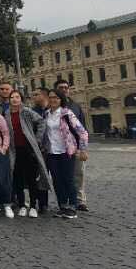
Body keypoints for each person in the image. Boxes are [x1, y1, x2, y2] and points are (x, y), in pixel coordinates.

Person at [43, 89, 89, 219]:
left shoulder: (66, 113)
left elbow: (82, 132)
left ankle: (72, 206)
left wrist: (83, 149)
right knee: (57, 181)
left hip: (66, 151)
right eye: (51, 97)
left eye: (56, 98)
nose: (53, 100)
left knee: (68, 179)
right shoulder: (46, 114)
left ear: (61, 99)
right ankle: (62, 206)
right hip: (52, 152)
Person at [7, 90, 52, 218]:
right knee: (18, 179)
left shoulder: (26, 111)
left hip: (28, 149)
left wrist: (37, 139)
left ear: (21, 99)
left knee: (31, 178)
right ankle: (22, 205)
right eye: (12, 97)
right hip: (14, 150)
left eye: (17, 97)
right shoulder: (6, 114)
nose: (14, 99)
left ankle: (33, 205)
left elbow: (41, 122)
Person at [54, 79, 89, 212]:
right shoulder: (52, 108)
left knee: (78, 173)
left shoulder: (75, 106)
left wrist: (83, 148)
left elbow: (83, 128)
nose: (64, 89)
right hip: (59, 148)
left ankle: (80, 200)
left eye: (66, 87)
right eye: (60, 88)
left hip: (76, 147)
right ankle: (67, 200)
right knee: (64, 176)